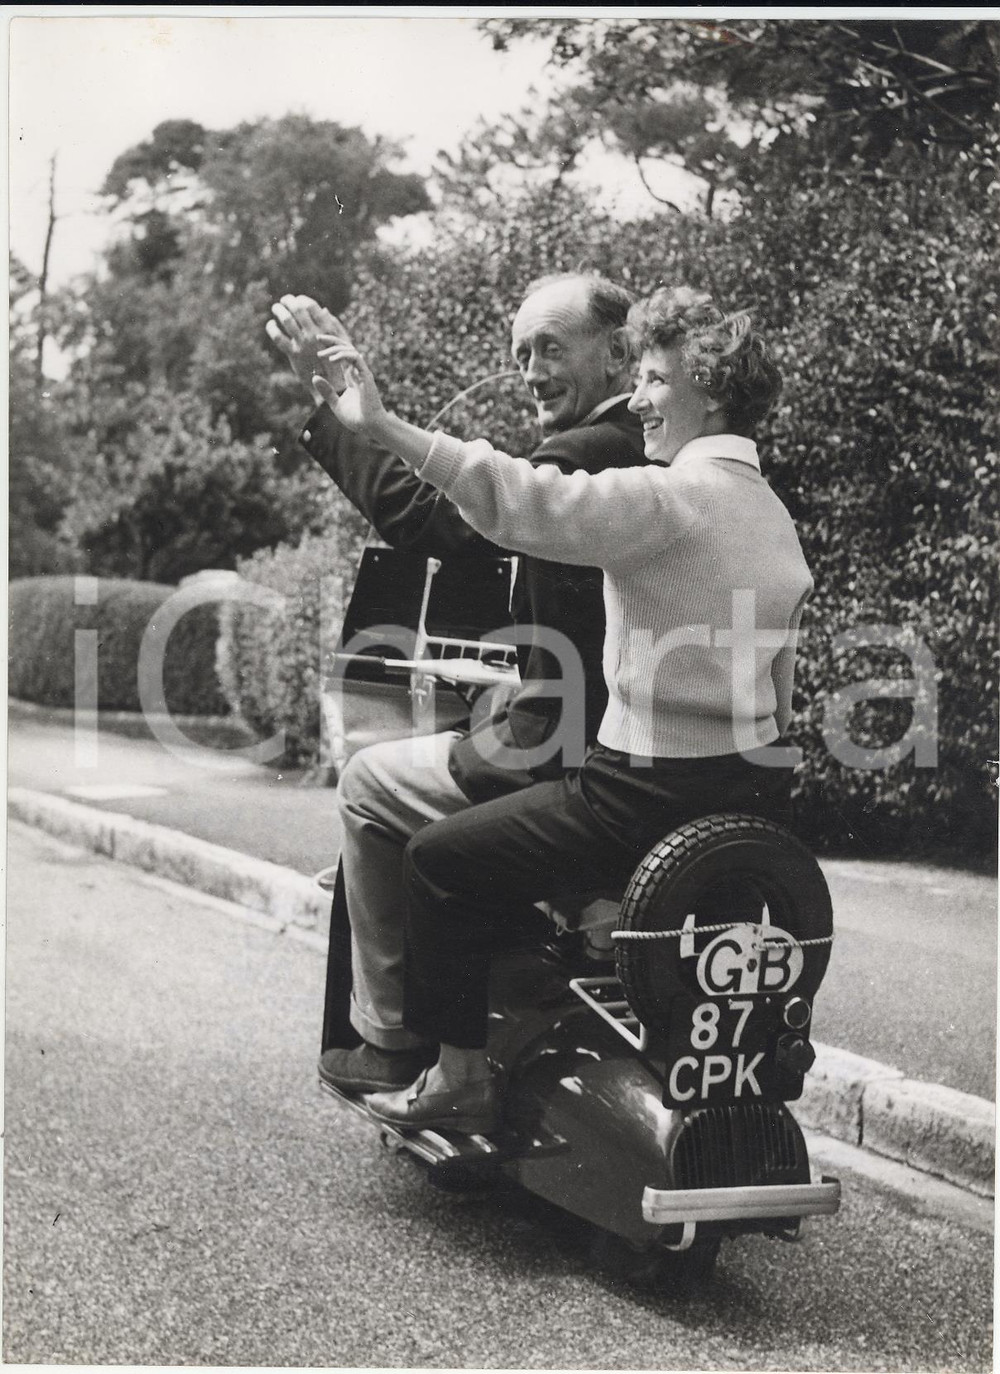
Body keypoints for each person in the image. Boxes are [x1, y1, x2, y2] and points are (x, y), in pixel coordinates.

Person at [314, 287, 813, 1135]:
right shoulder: (773, 517)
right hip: (737, 798)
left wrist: (384, 426)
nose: (643, 398)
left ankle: (457, 1078)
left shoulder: (668, 499)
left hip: (633, 793)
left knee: (438, 860)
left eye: (657, 379)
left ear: (713, 392)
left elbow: (519, 498)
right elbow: (780, 691)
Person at [266, 276, 647, 1092]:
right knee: (481, 717)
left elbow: (427, 520)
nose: (532, 370)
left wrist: (340, 410)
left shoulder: (585, 456)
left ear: (619, 351)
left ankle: (392, 1035)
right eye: (520, 354)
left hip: (572, 757)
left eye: (551, 346)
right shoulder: (669, 452)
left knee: (370, 784)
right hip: (635, 745)